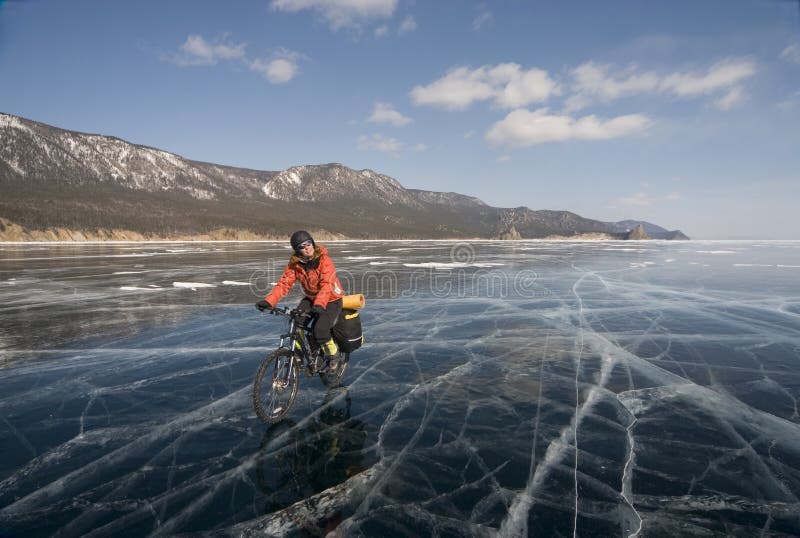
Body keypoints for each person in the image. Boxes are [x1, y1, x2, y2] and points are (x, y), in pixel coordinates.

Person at [256, 230, 344, 357]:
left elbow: (327, 284)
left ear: (312, 243)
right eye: (301, 247)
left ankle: (333, 354)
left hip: (331, 299)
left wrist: (319, 304)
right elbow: (284, 284)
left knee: (320, 330)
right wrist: (269, 301)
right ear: (297, 251)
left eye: (308, 243)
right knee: (296, 324)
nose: (307, 248)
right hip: (311, 298)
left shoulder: (325, 261)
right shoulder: (295, 265)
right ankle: (298, 354)